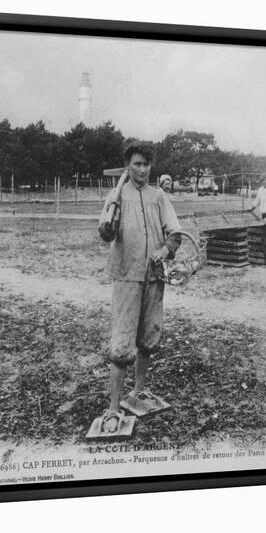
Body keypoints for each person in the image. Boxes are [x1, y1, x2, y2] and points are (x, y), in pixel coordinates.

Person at [93, 141, 181, 435]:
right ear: (128, 166)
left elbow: (175, 234)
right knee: (121, 344)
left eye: (146, 164)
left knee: (148, 337)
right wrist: (106, 228)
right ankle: (113, 408)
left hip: (154, 277)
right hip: (127, 276)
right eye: (136, 164)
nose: (142, 169)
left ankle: (139, 391)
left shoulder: (159, 197)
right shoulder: (116, 195)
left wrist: (165, 250)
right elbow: (105, 234)